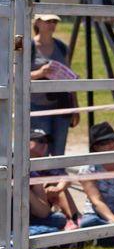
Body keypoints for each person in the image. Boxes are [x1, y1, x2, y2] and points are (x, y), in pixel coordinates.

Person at [30, 13, 78, 157]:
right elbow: (16, 77)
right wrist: (40, 73)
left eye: (54, 22)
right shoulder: (28, 46)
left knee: (59, 150)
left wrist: (75, 107)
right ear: (37, 22)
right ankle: (40, 178)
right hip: (36, 105)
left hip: (61, 104)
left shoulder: (62, 47)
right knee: (38, 149)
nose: (52, 25)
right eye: (48, 21)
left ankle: (55, 177)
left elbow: (70, 77)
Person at [29, 129, 80, 235]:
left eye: (47, 142)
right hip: (20, 209)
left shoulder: (45, 162)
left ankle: (75, 221)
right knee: (58, 220)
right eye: (40, 141)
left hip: (39, 208)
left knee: (58, 187)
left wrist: (57, 189)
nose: (45, 145)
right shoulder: (15, 160)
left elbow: (66, 178)